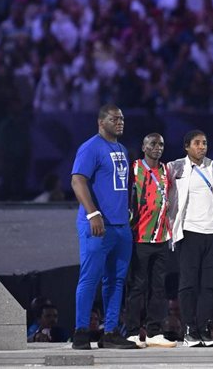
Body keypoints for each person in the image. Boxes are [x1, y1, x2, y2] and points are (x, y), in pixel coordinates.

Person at [70, 104, 138, 350]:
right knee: (90, 278)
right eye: (114, 118)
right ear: (101, 122)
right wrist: (92, 213)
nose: (120, 122)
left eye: (122, 118)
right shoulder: (90, 147)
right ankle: (80, 331)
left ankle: (110, 332)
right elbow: (78, 180)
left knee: (116, 281)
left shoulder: (121, 149)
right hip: (98, 225)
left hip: (121, 226)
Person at [168, 130, 213, 347]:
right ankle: (189, 328)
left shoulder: (212, 166)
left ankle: (204, 327)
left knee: (209, 285)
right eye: (197, 143)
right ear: (186, 146)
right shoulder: (176, 167)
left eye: (205, 142)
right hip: (190, 231)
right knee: (188, 283)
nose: (202, 146)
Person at [124, 133, 176, 348]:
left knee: (158, 288)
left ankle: (154, 332)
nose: (158, 148)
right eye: (153, 144)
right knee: (137, 286)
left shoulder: (166, 170)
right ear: (143, 147)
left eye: (161, 144)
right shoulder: (133, 168)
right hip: (139, 237)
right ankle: (133, 332)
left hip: (161, 238)